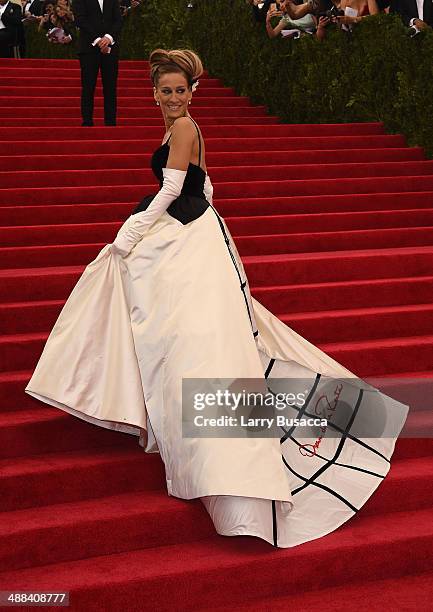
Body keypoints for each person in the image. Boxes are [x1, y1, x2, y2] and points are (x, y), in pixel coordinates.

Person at [26, 48, 409, 548]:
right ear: (154, 93)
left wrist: (130, 231)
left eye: (180, 91)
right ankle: (173, 432)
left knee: (195, 339)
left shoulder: (184, 128)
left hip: (185, 232)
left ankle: (219, 460)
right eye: (165, 91)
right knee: (182, 336)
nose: (172, 99)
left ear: (192, 92)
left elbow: (172, 188)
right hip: (193, 232)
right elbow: (205, 184)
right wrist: (205, 222)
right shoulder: (179, 129)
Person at [72, 0, 122, 127]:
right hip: (88, 49)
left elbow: (118, 20)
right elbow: (80, 20)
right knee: (88, 86)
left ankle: (110, 123)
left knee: (110, 87)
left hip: (111, 48)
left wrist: (108, 38)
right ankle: (87, 122)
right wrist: (98, 40)